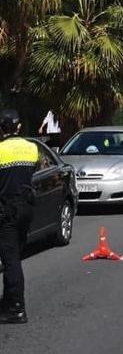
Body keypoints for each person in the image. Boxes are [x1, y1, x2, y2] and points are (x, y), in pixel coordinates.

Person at [0, 109, 38, 324]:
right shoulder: (31, 148)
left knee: (10, 259)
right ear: (19, 127)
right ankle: (9, 301)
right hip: (26, 207)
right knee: (14, 256)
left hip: (7, 209)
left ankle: (16, 307)